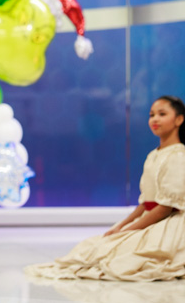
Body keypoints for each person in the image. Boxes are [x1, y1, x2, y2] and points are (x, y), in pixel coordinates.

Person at [26, 95, 185, 282]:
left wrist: (130, 230)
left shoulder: (178, 156)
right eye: (151, 115)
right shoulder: (154, 155)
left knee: (123, 258)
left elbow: (165, 207)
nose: (155, 119)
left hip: (168, 224)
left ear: (179, 119)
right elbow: (146, 202)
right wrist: (121, 225)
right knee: (93, 247)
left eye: (162, 114)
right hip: (150, 218)